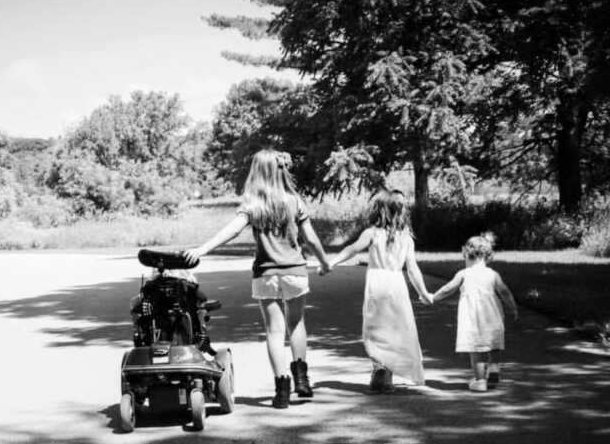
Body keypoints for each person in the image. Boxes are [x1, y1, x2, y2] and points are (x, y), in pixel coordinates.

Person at [184, 149, 331, 409]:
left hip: (265, 274)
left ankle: (282, 390)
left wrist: (202, 249)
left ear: (257, 172)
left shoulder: (253, 204)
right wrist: (324, 261)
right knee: (296, 324)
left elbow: (231, 230)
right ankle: (302, 380)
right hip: (295, 272)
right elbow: (311, 238)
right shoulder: (293, 201)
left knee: (275, 331)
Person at [327, 188, 429, 391]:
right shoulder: (406, 237)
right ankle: (387, 376)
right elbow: (412, 268)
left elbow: (352, 249)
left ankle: (379, 368)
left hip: (377, 283)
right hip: (396, 284)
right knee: (395, 328)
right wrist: (423, 292)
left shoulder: (371, 233)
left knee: (375, 327)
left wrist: (332, 262)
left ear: (379, 211)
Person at [431, 232, 518, 391]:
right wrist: (513, 307)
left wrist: (433, 297)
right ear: (487, 256)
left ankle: (480, 381)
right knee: (494, 345)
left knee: (476, 350)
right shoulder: (493, 274)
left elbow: (448, 289)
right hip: (492, 317)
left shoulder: (463, 274)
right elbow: (504, 292)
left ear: (466, 255)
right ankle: (493, 369)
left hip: (472, 319)